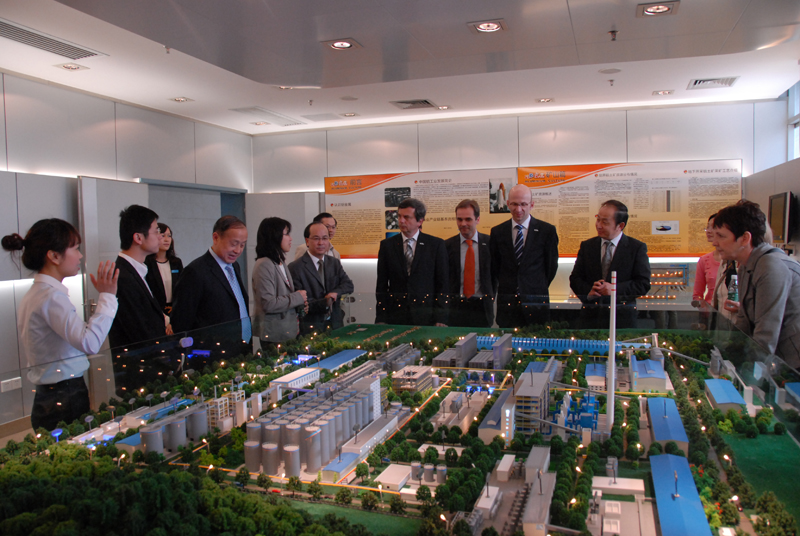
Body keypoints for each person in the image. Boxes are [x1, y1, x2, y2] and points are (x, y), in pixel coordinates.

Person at [2, 219, 119, 431]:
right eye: (75, 248)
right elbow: (90, 343)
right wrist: (108, 297)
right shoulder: (51, 297)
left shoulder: (38, 293)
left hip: (53, 393)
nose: (80, 256)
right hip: (64, 395)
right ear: (54, 256)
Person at [712, 200, 800, 369]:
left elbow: (766, 335)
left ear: (745, 238)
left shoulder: (770, 267)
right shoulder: (747, 265)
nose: (715, 242)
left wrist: (745, 373)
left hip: (791, 368)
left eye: (721, 236)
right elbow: (744, 322)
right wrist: (730, 356)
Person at [171, 216, 251, 354]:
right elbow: (181, 322)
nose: (238, 250)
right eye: (233, 244)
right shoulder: (195, 271)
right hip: (212, 352)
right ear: (216, 238)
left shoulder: (234, 266)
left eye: (242, 245)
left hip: (241, 347)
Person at [569, 200, 651, 329]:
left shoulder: (636, 248)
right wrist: (588, 291)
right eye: (598, 219)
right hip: (591, 318)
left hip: (622, 319)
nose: (599, 225)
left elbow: (643, 283)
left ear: (620, 225)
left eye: (605, 222)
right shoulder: (587, 246)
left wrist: (614, 289)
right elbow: (575, 278)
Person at [490, 184, 559, 327]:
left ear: (531, 205)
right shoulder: (497, 232)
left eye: (523, 204)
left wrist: (534, 285)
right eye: (514, 204)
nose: (518, 209)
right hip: (508, 305)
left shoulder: (547, 231)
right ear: (508, 204)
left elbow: (551, 267)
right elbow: (495, 267)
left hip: (536, 304)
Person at [375, 198, 449, 326]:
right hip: (396, 315)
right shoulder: (387, 245)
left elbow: (443, 284)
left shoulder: (435, 245)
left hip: (426, 314)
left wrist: (441, 317)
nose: (401, 221)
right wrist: (381, 317)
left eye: (407, 217)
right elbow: (381, 284)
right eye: (399, 216)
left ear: (420, 221)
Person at [109, 205, 167, 351]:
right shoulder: (123, 277)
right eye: (156, 231)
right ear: (138, 238)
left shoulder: (137, 269)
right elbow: (139, 331)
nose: (160, 237)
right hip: (139, 359)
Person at [289, 222, 354, 334]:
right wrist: (325, 302)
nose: (321, 243)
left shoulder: (334, 263)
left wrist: (335, 293)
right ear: (307, 241)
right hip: (311, 327)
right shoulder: (295, 267)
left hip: (335, 324)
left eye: (324, 238)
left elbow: (348, 285)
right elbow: (301, 301)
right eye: (316, 238)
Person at [252, 217, 308, 343]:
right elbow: (268, 303)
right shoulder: (264, 264)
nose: (290, 238)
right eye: (286, 234)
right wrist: (298, 297)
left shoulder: (279, 262)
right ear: (275, 236)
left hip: (288, 331)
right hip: (274, 334)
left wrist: (300, 304)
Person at [445, 199, 494, 327]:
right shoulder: (447, 246)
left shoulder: (490, 244)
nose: (463, 224)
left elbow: (495, 275)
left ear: (477, 219)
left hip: (482, 308)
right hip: (455, 308)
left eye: (468, 219)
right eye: (459, 219)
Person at [145, 222, 183, 315]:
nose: (167, 239)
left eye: (169, 236)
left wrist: (175, 306)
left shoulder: (176, 262)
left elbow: (182, 287)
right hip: (154, 311)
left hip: (174, 310)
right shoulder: (147, 263)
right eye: (162, 236)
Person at [691, 214, 721, 329]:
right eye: (707, 227)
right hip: (709, 315)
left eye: (713, 227)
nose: (708, 231)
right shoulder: (705, 260)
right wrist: (703, 307)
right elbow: (697, 294)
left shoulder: (735, 260)